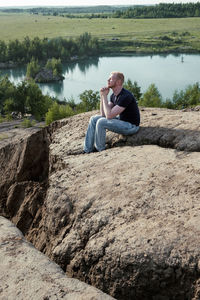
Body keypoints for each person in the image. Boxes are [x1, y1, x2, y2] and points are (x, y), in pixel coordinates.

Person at [83, 71, 140, 153]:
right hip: (122, 121)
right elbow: (103, 114)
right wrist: (102, 96)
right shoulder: (114, 96)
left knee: (101, 122)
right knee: (94, 119)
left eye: (111, 79)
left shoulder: (125, 96)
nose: (108, 80)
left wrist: (105, 97)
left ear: (118, 82)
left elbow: (109, 116)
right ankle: (87, 150)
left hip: (131, 126)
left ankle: (100, 149)